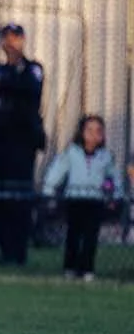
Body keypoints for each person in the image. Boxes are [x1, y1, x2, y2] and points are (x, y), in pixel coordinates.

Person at [0, 23, 45, 266]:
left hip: (21, 145)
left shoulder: (31, 69)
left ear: (22, 40)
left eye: (15, 38)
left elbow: (30, 91)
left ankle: (18, 250)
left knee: (18, 197)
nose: (10, 43)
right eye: (6, 38)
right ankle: (4, 249)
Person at [41, 114, 122, 281]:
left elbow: (115, 178)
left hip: (95, 200)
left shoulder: (106, 157)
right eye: (89, 130)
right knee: (74, 235)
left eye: (98, 131)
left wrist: (116, 196)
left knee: (91, 236)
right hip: (75, 199)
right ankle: (70, 267)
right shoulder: (71, 153)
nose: (93, 135)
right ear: (82, 132)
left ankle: (87, 269)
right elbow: (57, 171)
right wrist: (48, 191)